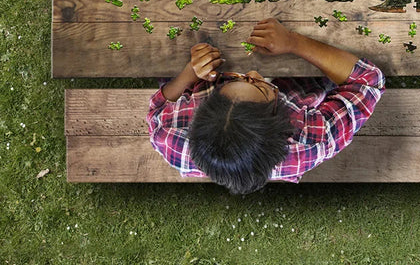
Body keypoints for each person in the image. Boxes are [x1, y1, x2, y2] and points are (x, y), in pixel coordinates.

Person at [147, 17, 385, 194]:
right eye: (259, 85)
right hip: (301, 80)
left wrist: (190, 72)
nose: (251, 71)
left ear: (202, 110)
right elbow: (369, 81)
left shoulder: (171, 137)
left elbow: (157, 109)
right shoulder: (311, 141)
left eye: (235, 81)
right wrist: (295, 42)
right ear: (283, 119)